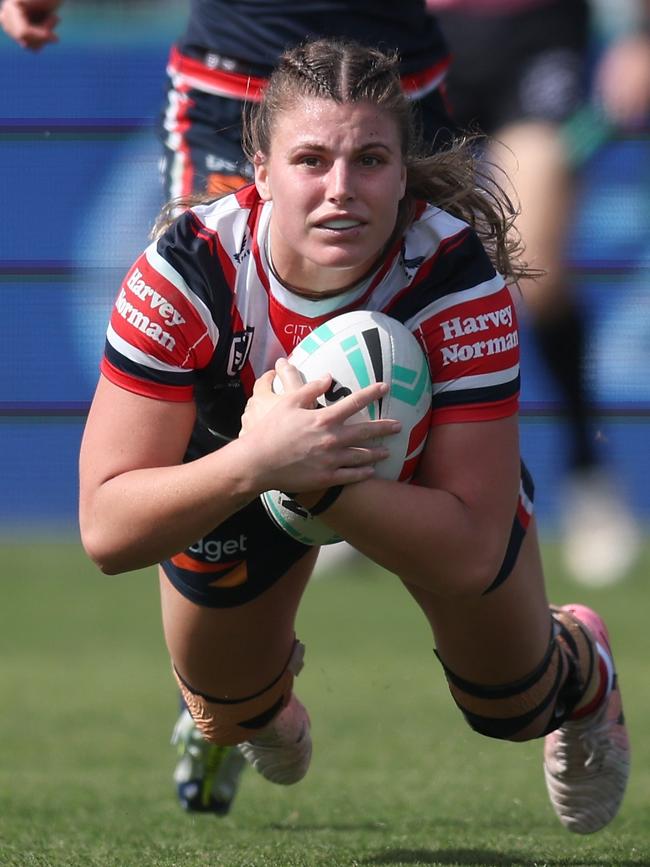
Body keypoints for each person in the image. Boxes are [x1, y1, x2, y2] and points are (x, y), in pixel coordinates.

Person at [79, 37, 630, 835]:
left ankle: (583, 663)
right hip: (243, 463)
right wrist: (255, 461)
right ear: (260, 171)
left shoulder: (453, 274)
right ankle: (254, 706)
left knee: (510, 700)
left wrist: (321, 477)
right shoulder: (186, 270)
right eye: (311, 160)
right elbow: (103, 527)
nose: (341, 189)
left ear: (404, 173)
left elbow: (475, 547)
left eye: (370, 159)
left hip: (409, 484)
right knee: (227, 711)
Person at [2, 0, 459, 815]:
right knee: (231, 392)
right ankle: (228, 701)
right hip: (233, 79)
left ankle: (554, 662)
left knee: (439, 380)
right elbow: (108, 529)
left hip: (399, 85)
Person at [425, 0, 650, 586]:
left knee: (533, 263)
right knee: (393, 250)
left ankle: (588, 477)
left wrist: (642, 33)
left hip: (538, 31)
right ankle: (369, 477)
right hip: (426, 32)